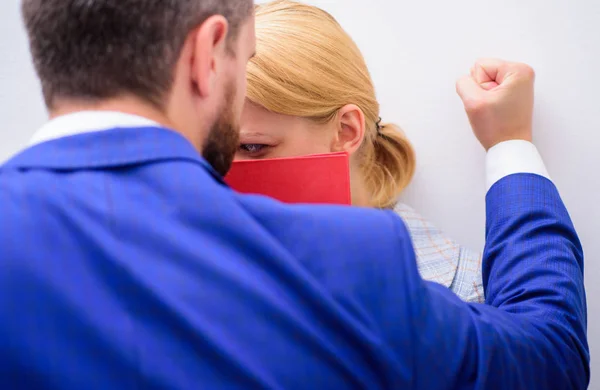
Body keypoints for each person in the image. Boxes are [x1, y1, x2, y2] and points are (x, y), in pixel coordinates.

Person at [0, 0, 588, 389]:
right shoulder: (345, 267)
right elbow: (551, 354)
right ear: (209, 55)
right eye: (245, 58)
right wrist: (510, 147)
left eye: (254, 149)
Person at [238, 0, 483, 302]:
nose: (217, 175)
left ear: (345, 131)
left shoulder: (466, 293)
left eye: (252, 147)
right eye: (206, 151)